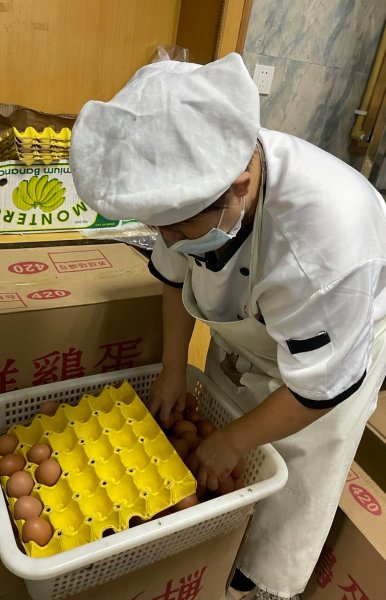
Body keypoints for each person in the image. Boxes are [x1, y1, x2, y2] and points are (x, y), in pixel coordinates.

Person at [70, 53, 386, 600]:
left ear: (241, 182)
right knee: (220, 445)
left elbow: (318, 389)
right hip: (247, 329)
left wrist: (235, 440)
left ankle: (257, 582)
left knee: (288, 485)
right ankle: (215, 551)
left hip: (323, 362)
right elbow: (174, 277)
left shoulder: (326, 241)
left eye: (177, 228)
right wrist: (173, 367)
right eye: (159, 227)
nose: (167, 239)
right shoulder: (194, 189)